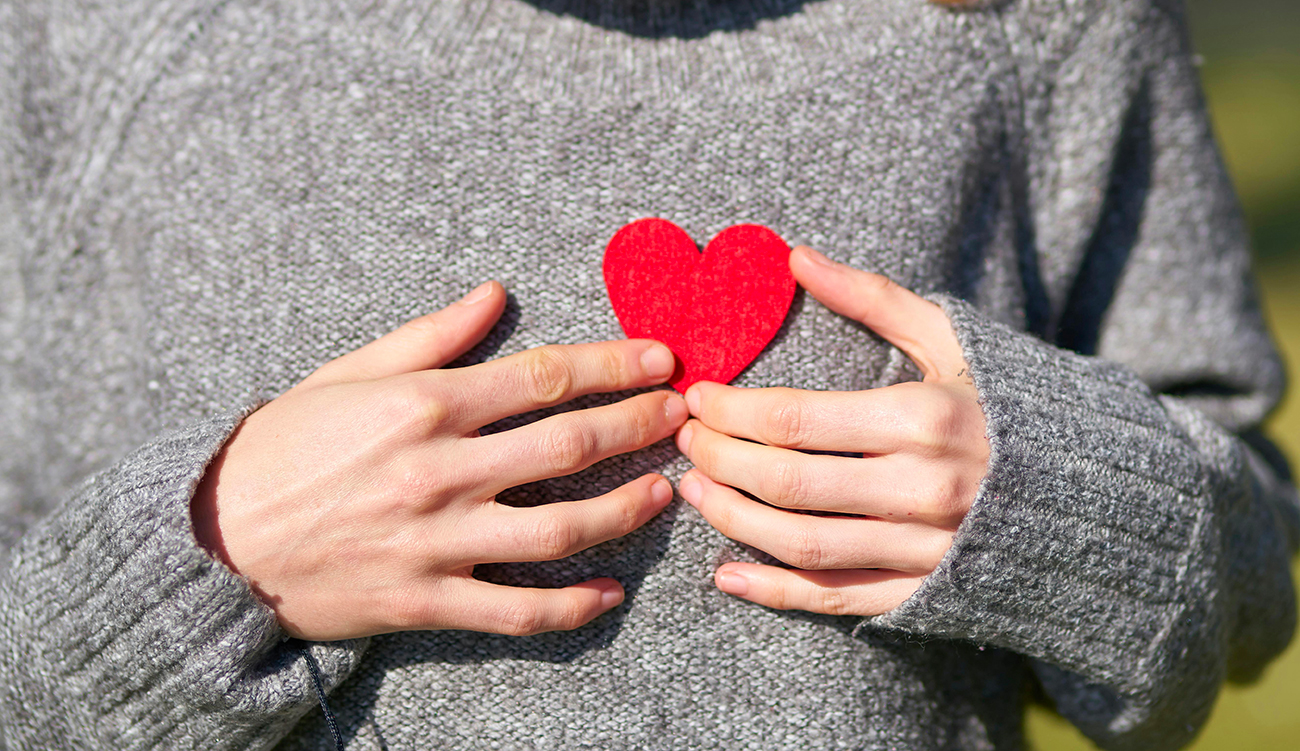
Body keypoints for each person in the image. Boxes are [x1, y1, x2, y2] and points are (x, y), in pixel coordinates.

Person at [1, 0, 1296, 748]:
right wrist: (201, 562)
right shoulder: (93, 35)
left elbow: (1249, 576)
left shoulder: (1031, 26)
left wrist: (1065, 500)